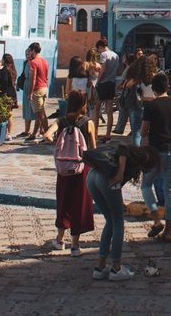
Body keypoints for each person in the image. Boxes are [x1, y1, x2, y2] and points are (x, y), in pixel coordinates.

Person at [87, 143, 159, 281]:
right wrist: (120, 173)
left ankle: (100, 268)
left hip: (92, 177)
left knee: (110, 221)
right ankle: (116, 268)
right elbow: (122, 149)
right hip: (105, 179)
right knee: (118, 222)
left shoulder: (134, 162)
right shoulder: (144, 156)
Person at [139, 71, 171, 242]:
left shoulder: (151, 107)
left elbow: (143, 131)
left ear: (153, 88)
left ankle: (156, 219)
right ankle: (168, 231)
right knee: (170, 190)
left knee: (146, 185)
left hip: (157, 152)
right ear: (168, 87)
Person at [52, 90, 95, 255]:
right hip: (82, 169)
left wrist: (59, 147)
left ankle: (59, 239)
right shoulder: (87, 123)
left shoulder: (61, 121)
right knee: (79, 204)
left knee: (63, 201)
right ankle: (75, 245)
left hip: (64, 169)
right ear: (83, 104)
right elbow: (93, 149)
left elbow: (47, 135)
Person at [96, 38, 120, 139]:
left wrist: (97, 81)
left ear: (101, 47)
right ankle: (108, 134)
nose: (98, 51)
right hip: (111, 83)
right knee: (109, 111)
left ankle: (95, 133)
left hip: (103, 83)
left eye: (98, 49)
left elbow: (103, 69)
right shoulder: (115, 55)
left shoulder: (103, 55)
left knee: (97, 109)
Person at [26, 43, 51, 142]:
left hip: (37, 89)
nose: (29, 53)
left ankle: (47, 134)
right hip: (44, 88)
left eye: (30, 51)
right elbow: (47, 76)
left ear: (33, 51)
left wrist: (30, 93)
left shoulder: (34, 62)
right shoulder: (45, 61)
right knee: (39, 113)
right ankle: (34, 134)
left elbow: (33, 79)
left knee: (41, 114)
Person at [0, 53, 19, 138]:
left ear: (4, 60)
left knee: (5, 114)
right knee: (9, 113)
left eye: (2, 59)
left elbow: (4, 83)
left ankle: (6, 133)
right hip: (12, 93)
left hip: (5, 93)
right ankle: (9, 133)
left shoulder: (4, 70)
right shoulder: (13, 70)